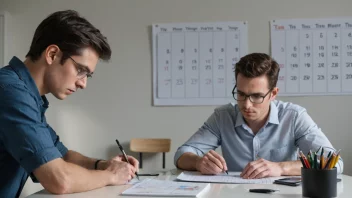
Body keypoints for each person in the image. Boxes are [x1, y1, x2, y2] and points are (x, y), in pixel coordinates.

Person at [0, 10, 138, 197]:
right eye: (81, 70)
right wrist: (110, 175)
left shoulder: (27, 95)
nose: (83, 83)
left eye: (87, 75)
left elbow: (63, 155)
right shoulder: (10, 91)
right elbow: (59, 180)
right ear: (52, 54)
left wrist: (103, 165)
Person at [174, 53, 343, 179]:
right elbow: (181, 154)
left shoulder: (294, 117)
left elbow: (333, 163)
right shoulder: (223, 116)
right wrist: (198, 162)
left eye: (256, 96)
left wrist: (281, 168)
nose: (246, 105)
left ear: (273, 93)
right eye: (241, 94)